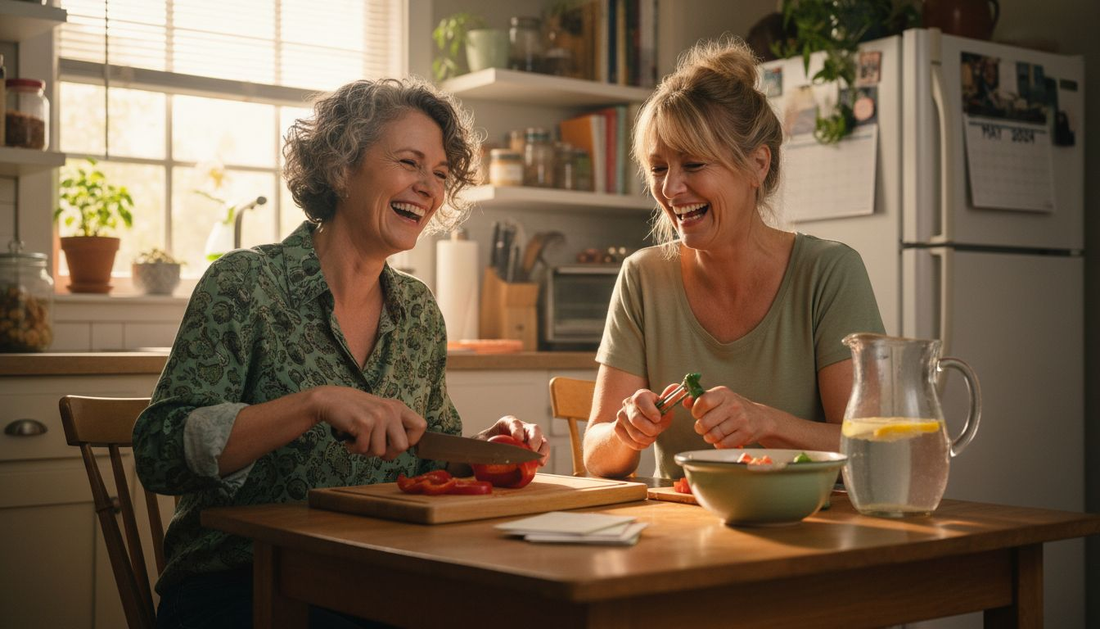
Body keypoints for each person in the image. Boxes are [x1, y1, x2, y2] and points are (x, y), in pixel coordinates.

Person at [133, 77, 549, 629]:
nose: (429, 186)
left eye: (441, 173)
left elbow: (428, 454)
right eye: (409, 162)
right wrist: (314, 403)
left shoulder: (418, 311)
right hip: (239, 584)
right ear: (339, 167)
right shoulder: (244, 283)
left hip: (373, 579)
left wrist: (483, 450)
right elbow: (159, 450)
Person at [583, 37, 884, 480]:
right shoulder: (643, 277)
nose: (670, 189)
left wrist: (768, 422)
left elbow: (870, 447)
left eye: (693, 165)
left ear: (757, 165)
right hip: (680, 535)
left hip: (811, 527)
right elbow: (595, 455)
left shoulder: (829, 272)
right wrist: (624, 433)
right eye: (659, 168)